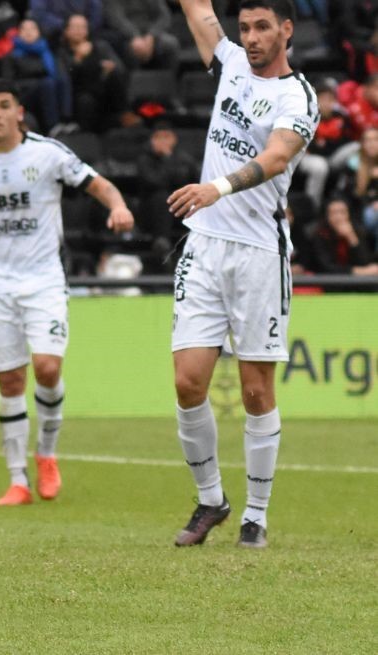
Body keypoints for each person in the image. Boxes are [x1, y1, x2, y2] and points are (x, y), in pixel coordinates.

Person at [0, 78, 135, 506]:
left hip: (44, 279)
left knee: (48, 368)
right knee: (10, 379)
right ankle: (17, 479)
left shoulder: (48, 153)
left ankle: (47, 456)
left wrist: (119, 206)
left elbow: (98, 184)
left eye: (3, 105)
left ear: (20, 112)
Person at [164, 0, 318, 548]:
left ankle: (256, 512)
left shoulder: (298, 97)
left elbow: (276, 159)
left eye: (261, 27)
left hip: (258, 254)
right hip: (204, 246)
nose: (250, 38)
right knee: (187, 382)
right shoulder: (228, 60)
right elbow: (195, 7)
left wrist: (217, 188)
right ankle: (211, 501)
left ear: (286, 30)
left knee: (256, 391)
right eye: (245, 27)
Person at [57, 14, 126, 132]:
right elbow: (64, 79)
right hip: (79, 96)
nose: (79, 30)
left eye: (82, 27)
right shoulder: (62, 52)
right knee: (86, 101)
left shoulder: (101, 46)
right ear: (66, 31)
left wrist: (109, 69)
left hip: (103, 92)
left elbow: (120, 68)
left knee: (115, 76)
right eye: (75, 27)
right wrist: (78, 59)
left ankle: (125, 114)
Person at [136, 122, 201, 243]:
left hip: (182, 205)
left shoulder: (185, 159)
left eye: (166, 137)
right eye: (158, 137)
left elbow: (195, 180)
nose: (162, 141)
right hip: (152, 208)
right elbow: (154, 182)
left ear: (174, 139)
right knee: (161, 196)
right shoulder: (144, 159)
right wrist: (167, 158)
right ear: (151, 140)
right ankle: (161, 241)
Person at [307, 197, 378, 275]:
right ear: (327, 216)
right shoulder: (319, 234)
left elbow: (365, 263)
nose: (338, 217)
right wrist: (355, 271)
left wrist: (351, 237)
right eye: (333, 213)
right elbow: (325, 267)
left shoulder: (358, 231)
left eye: (342, 212)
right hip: (327, 281)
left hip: (355, 281)